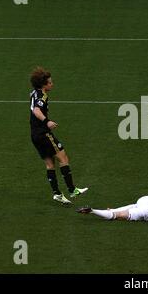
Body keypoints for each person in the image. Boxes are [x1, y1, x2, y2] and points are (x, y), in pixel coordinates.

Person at [29, 66, 88, 204]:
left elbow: (33, 104)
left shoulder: (34, 93)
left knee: (50, 163)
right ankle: (72, 190)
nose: (52, 84)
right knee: (63, 157)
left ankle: (57, 193)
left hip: (34, 135)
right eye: (50, 82)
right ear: (43, 84)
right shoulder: (41, 96)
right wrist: (47, 121)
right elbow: (36, 110)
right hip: (43, 133)